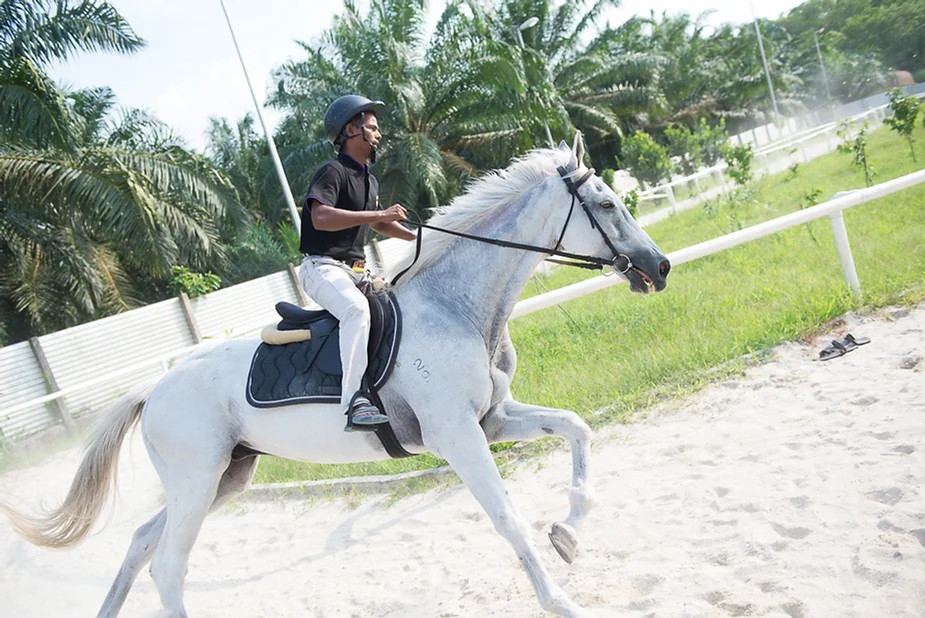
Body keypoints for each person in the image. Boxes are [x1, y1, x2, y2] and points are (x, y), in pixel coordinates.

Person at [299, 94, 416, 432]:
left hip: (357, 272)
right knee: (356, 311)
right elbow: (320, 217)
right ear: (352, 130)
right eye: (373, 128)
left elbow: (377, 224)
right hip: (321, 269)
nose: (379, 135)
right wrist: (380, 213)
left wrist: (417, 238)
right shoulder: (332, 171)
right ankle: (353, 403)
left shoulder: (369, 180)